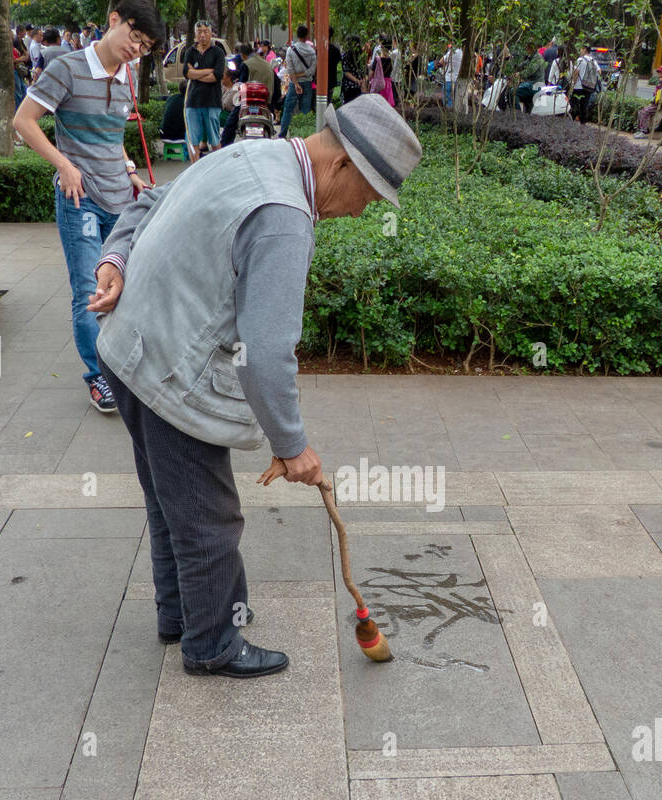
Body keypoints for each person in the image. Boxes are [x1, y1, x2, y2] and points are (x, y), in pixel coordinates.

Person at [87, 95, 422, 677]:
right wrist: (292, 446)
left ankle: (181, 615)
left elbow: (152, 199)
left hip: (129, 347)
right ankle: (212, 642)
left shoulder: (254, 153)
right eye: (367, 197)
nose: (362, 212)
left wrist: (113, 257)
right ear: (341, 166)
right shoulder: (285, 217)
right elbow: (266, 351)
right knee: (209, 516)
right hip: (169, 371)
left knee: (171, 502)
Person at [13, 0, 161, 415]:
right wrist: (64, 165)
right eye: (135, 37)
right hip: (80, 200)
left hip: (121, 199)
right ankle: (99, 376)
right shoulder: (68, 67)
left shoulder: (126, 75)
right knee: (87, 289)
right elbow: (23, 123)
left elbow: (112, 138)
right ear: (114, 21)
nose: (138, 49)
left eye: (146, 46)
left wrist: (130, 170)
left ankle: (122, 365)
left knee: (126, 287)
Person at [183, 21, 227, 155]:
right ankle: (195, 170)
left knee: (214, 140)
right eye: (199, 32)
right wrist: (208, 71)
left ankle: (218, 171)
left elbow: (217, 75)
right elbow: (187, 73)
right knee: (193, 141)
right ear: (195, 34)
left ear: (211, 33)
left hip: (212, 102)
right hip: (193, 102)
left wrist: (195, 74)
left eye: (206, 31)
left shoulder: (218, 52)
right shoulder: (190, 51)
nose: (202, 35)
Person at [279, 25, 316, 138]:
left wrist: (295, 83)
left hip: (293, 84)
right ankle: (304, 136)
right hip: (307, 83)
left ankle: (282, 134)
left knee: (288, 109)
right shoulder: (311, 51)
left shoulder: (291, 49)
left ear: (297, 35)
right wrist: (303, 74)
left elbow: (289, 70)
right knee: (305, 110)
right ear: (307, 36)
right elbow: (311, 71)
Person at [570, 42, 600, 124]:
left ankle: (573, 120)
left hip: (579, 86)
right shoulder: (593, 60)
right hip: (588, 86)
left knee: (574, 104)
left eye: (581, 49)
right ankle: (583, 123)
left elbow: (576, 72)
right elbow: (599, 71)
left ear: (584, 49)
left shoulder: (580, 59)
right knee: (584, 105)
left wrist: (573, 82)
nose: (580, 50)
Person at [442, 40, 462, 106]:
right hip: (457, 80)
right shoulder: (462, 53)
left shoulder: (451, 52)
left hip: (448, 79)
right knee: (455, 102)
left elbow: (441, 61)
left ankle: (448, 115)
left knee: (447, 102)